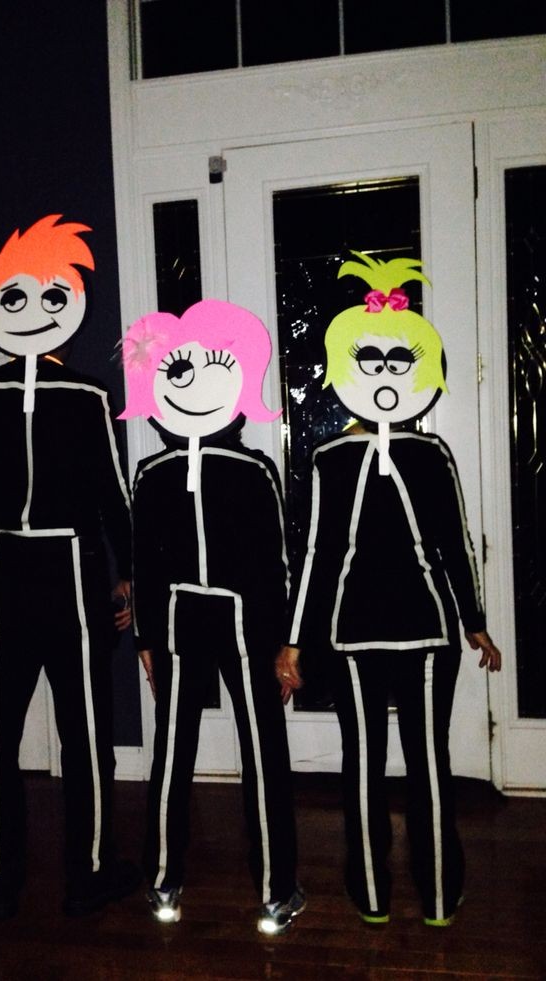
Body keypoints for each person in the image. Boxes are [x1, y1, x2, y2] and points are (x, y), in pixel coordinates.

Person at [276, 252, 501, 927]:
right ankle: (415, 894)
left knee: (388, 762)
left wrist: (474, 619)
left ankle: (399, 893)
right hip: (385, 634)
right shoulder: (362, 456)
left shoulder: (399, 455)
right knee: (401, 762)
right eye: (370, 360)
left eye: (396, 360)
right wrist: (293, 639)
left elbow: (448, 543)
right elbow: (319, 552)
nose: (383, 373)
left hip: (397, 634)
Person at [0, 214, 139, 920]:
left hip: (11, 570)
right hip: (70, 571)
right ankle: (87, 875)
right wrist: (127, 572)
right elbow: (115, 495)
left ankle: (1, 882)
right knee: (82, 733)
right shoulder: (89, 396)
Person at [119, 298, 304, 935]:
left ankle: (267, 887)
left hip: (237, 628)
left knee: (250, 752)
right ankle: (175, 880)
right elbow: (144, 560)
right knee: (184, 754)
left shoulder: (249, 470)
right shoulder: (155, 473)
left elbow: (277, 562)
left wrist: (285, 644)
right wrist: (147, 638)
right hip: (188, 627)